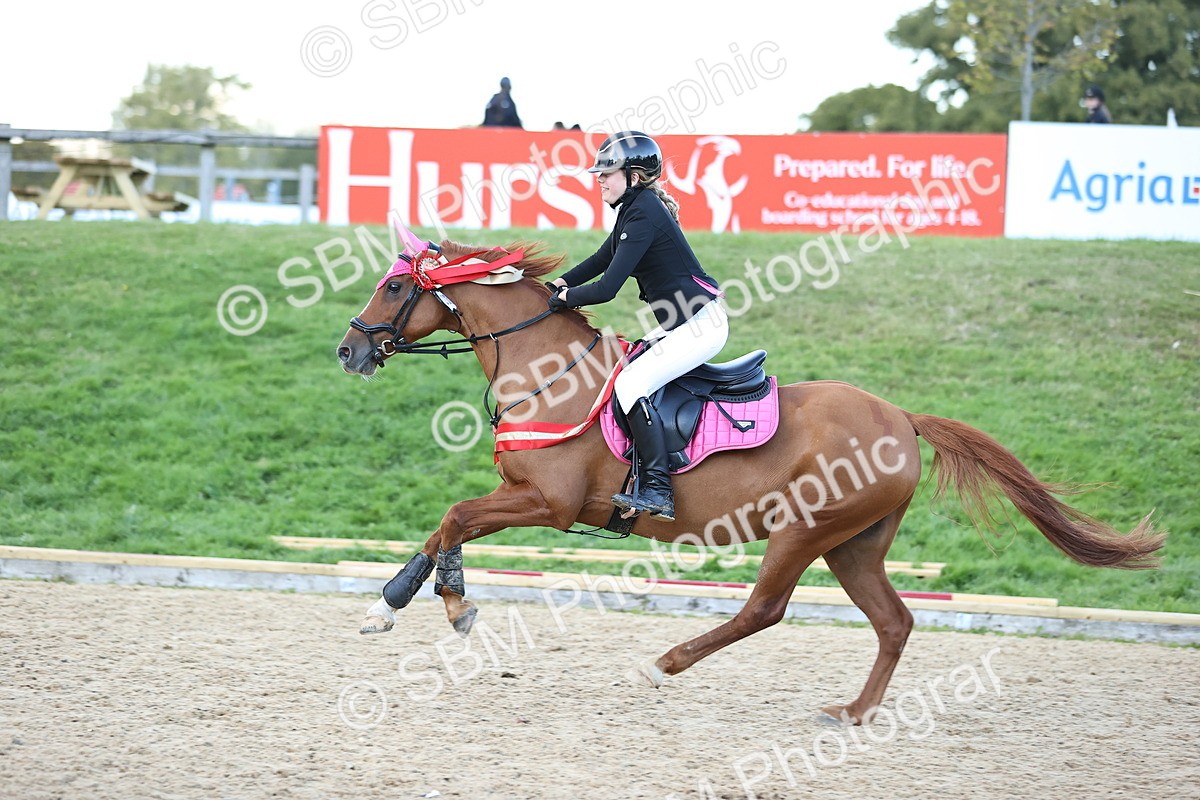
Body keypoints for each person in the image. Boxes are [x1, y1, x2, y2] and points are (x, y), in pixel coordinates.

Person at [545, 132, 729, 522]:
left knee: (631, 385)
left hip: (699, 325)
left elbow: (608, 287)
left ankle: (659, 490)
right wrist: (560, 282)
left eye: (607, 173)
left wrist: (566, 299)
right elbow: (601, 257)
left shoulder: (643, 211)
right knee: (626, 373)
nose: (600, 180)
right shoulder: (635, 209)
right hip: (684, 322)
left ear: (635, 175)